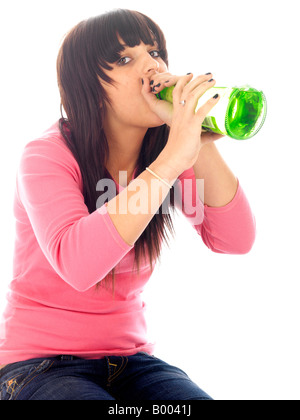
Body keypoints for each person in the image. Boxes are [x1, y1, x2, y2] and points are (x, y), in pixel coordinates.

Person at [0, 9, 256, 400]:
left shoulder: (165, 153)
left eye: (155, 53)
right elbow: (79, 265)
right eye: (124, 59)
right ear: (89, 86)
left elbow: (234, 239)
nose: (152, 67)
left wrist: (196, 140)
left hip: (132, 362)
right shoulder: (46, 155)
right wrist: (172, 159)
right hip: (39, 365)